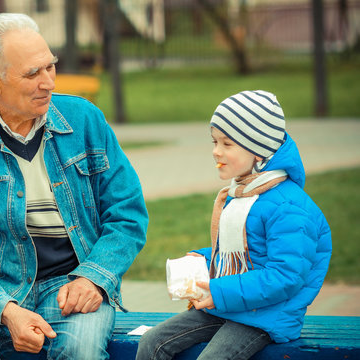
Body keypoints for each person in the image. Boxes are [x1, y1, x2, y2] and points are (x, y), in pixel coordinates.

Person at [0, 13, 148, 360]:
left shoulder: (86, 120)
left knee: (83, 351)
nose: (49, 83)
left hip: (74, 281)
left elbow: (127, 214)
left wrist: (94, 278)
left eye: (50, 67)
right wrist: (6, 309)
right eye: (32, 73)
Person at [136, 90, 331, 360]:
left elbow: (286, 276)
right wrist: (204, 259)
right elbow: (243, 253)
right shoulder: (242, 193)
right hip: (230, 303)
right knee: (151, 342)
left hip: (267, 315)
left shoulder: (289, 208)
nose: (216, 151)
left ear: (259, 150)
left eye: (227, 144)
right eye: (215, 141)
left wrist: (217, 291)